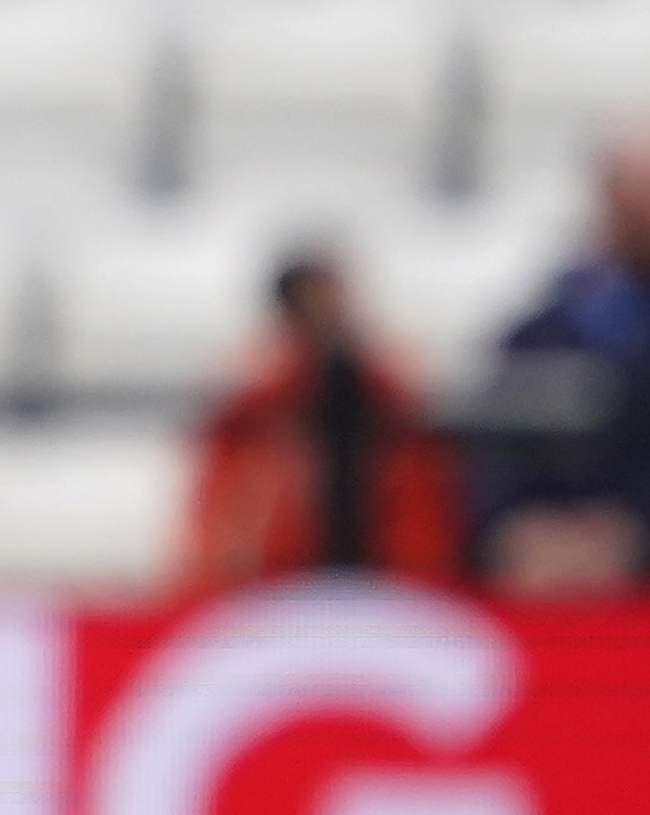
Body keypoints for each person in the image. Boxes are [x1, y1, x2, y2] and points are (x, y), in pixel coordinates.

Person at [187, 249, 459, 584]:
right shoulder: (254, 403)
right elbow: (225, 513)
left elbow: (422, 492)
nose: (327, 314)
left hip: (382, 575)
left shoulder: (380, 387)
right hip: (283, 580)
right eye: (314, 302)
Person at [469, 131, 650, 596]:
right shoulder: (545, 332)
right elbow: (496, 456)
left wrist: (632, 533)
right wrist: (516, 528)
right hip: (551, 586)